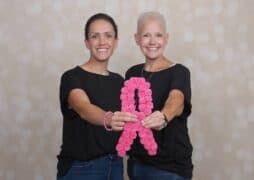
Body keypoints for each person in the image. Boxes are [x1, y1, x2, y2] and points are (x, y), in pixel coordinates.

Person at [56, 13, 136, 180]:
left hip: (115, 165)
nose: (102, 42)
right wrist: (108, 118)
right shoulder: (72, 77)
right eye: (95, 36)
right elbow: (84, 107)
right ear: (87, 42)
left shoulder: (119, 81)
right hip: (81, 168)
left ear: (115, 42)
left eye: (108, 36)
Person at [126, 11, 193, 180]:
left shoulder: (179, 71)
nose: (153, 41)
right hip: (136, 164)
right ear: (137, 39)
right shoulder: (132, 73)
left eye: (158, 35)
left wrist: (164, 116)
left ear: (167, 38)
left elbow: (177, 100)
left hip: (169, 169)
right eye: (146, 35)